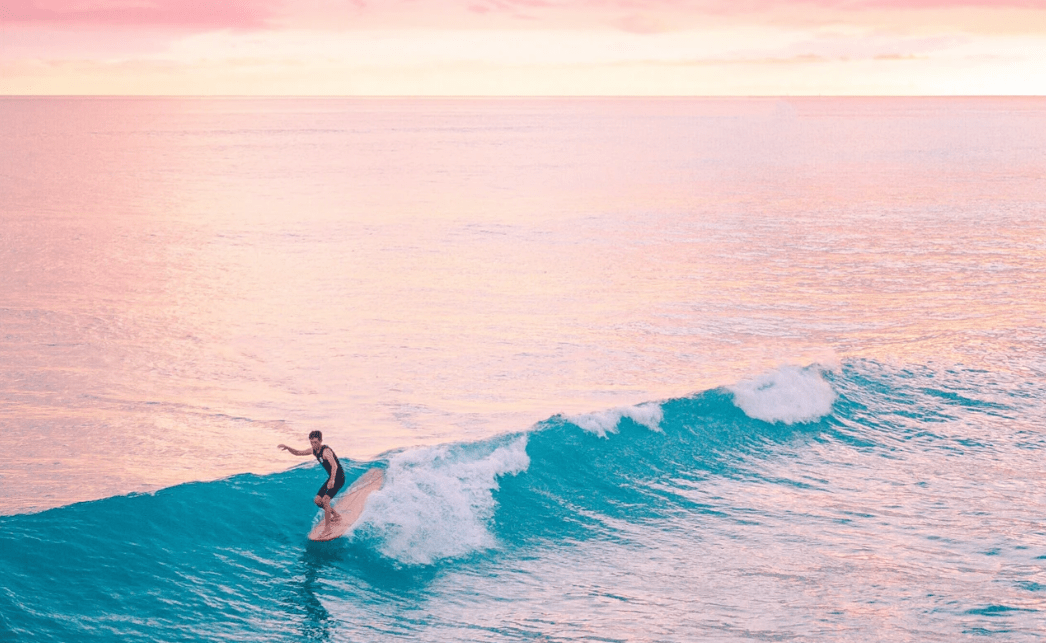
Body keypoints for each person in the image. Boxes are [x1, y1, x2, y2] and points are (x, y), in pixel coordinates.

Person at [278, 431, 346, 535]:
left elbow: (334, 466)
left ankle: (327, 530)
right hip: (331, 477)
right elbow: (298, 453)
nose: (313, 445)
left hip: (339, 477)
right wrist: (288, 448)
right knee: (318, 501)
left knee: (325, 500)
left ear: (320, 441)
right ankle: (336, 516)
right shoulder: (313, 450)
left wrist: (332, 480)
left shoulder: (326, 451)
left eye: (315, 442)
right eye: (311, 442)